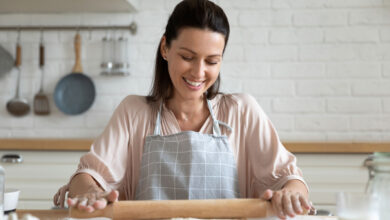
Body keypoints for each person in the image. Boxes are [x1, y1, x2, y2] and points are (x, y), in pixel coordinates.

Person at [53, 0, 311, 219]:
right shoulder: (134, 112)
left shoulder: (241, 111)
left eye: (211, 61)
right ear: (165, 48)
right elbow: (86, 177)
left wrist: (291, 195)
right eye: (187, 57)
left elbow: (292, 180)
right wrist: (89, 193)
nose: (199, 72)